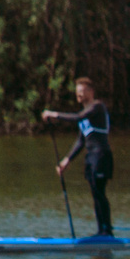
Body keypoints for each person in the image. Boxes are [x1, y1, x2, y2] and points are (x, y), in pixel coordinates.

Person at [42, 77, 115, 238]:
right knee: (95, 193)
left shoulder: (97, 107)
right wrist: (66, 160)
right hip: (91, 157)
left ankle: (106, 231)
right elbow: (81, 140)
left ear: (91, 92)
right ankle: (101, 231)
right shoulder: (84, 115)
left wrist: (54, 114)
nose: (79, 95)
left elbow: (78, 117)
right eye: (77, 92)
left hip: (101, 156)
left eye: (82, 92)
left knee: (99, 191)